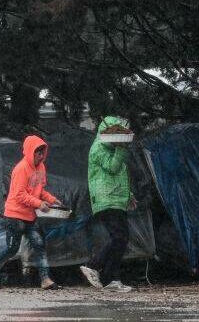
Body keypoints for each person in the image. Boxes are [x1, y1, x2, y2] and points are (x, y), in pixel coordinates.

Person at [0, 135, 62, 289]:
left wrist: (52, 200)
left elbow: (39, 190)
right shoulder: (21, 168)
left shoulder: (41, 168)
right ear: (29, 152)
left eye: (42, 153)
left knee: (39, 245)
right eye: (37, 153)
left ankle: (45, 279)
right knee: (12, 248)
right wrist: (39, 204)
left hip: (30, 215)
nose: (40, 156)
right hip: (14, 215)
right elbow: (20, 194)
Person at [80, 116, 137, 293]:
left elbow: (118, 176)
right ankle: (94, 266)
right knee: (119, 236)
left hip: (115, 198)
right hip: (106, 199)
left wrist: (129, 195)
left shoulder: (112, 148)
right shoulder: (98, 148)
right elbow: (112, 167)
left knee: (120, 238)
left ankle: (110, 278)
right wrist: (121, 149)